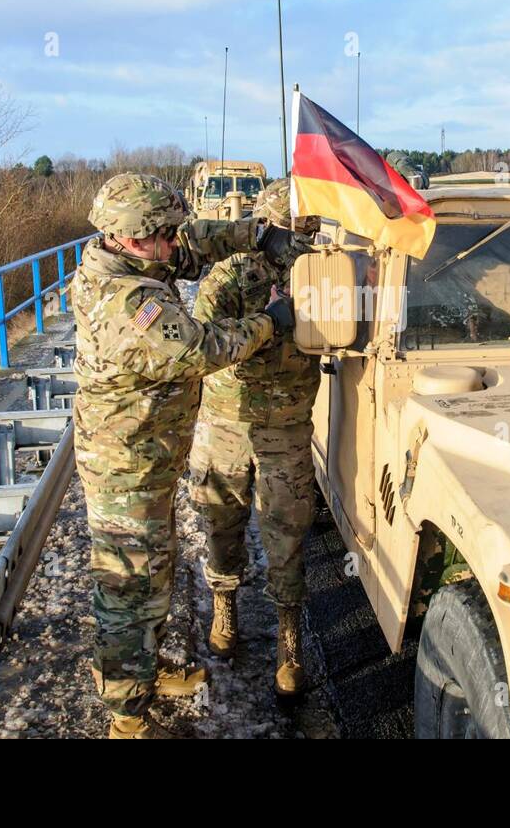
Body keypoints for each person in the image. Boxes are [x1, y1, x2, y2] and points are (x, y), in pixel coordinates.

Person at [71, 173, 305, 738]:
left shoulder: (127, 258)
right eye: (166, 235)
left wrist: (257, 234)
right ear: (135, 236)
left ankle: (141, 680)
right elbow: (202, 348)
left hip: (145, 458)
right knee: (129, 587)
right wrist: (269, 325)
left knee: (154, 572)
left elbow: (195, 244)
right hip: (125, 464)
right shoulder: (126, 300)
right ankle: (127, 719)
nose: (177, 244)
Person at [188, 179, 322, 696]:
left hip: (286, 424)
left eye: (308, 228)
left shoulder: (324, 277)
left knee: (287, 531)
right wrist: (265, 322)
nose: (300, 238)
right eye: (292, 229)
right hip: (227, 421)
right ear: (267, 228)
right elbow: (203, 347)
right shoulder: (229, 278)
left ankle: (290, 639)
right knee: (221, 518)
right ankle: (225, 607)